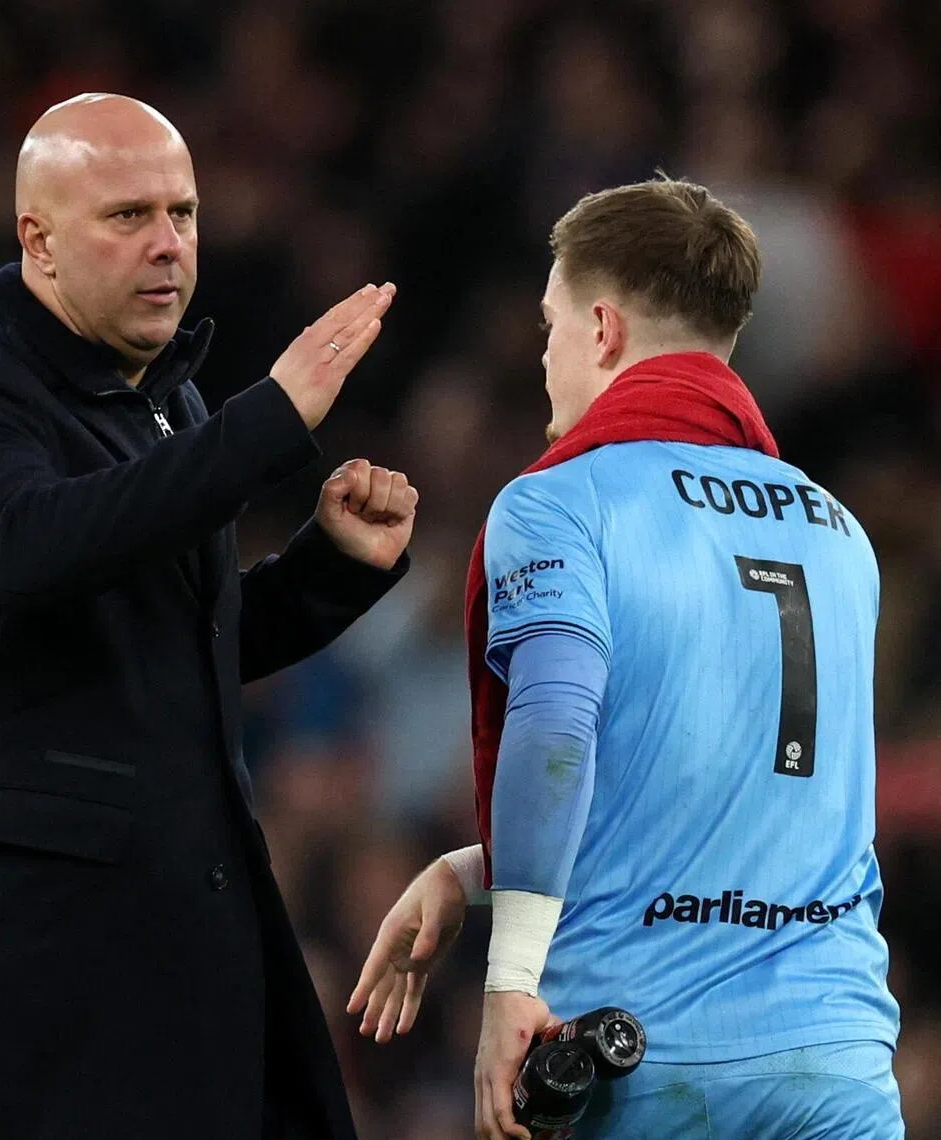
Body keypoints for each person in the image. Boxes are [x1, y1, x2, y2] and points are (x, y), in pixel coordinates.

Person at [0, 92, 418, 1140]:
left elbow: (176, 644)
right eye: (128, 216)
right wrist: (265, 425)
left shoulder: (166, 410)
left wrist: (329, 568)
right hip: (19, 989)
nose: (168, 246)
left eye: (184, 214)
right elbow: (27, 548)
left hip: (164, 974)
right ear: (38, 241)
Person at [349, 177, 904, 1139]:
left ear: (601, 329)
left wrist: (510, 975)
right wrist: (472, 868)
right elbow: (723, 802)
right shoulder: (840, 532)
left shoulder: (561, 504)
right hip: (837, 1064)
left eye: (549, 326)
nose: (545, 356)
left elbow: (556, 733)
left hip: (646, 1063)